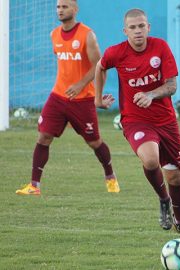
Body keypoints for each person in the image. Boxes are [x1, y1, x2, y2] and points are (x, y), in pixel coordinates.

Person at [94, 8, 180, 237]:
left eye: (141, 26)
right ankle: (163, 200)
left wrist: (150, 94)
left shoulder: (160, 47)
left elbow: (172, 86)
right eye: (133, 27)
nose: (138, 31)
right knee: (151, 161)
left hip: (166, 122)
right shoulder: (117, 53)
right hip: (135, 120)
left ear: (148, 27)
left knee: (175, 176)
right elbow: (100, 67)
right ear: (125, 31)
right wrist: (98, 98)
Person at [15, 0, 120, 195]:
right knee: (43, 137)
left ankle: (110, 176)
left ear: (75, 9)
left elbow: (100, 66)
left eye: (65, 6)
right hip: (57, 97)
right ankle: (34, 186)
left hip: (82, 100)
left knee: (94, 142)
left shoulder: (87, 35)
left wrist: (85, 87)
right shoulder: (54, 34)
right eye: (58, 7)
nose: (60, 10)